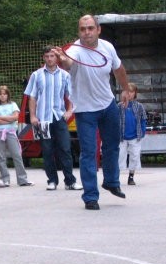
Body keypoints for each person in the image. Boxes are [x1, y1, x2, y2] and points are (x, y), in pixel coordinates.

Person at [54, 14, 130, 210]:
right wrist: (63, 60)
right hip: (85, 110)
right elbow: (69, 64)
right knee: (89, 152)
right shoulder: (74, 50)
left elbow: (119, 69)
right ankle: (90, 196)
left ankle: (111, 182)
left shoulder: (108, 47)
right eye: (82, 29)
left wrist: (126, 89)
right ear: (79, 32)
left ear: (98, 29)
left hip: (107, 104)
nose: (86, 32)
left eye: (90, 28)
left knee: (112, 146)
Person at [25, 45, 82, 191]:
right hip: (43, 119)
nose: (50, 59)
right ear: (43, 58)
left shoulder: (65, 75)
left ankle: (70, 181)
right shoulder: (36, 75)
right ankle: (52, 180)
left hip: (59, 117)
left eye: (52, 56)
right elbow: (32, 97)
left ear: (56, 58)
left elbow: (72, 95)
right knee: (47, 150)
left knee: (65, 149)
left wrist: (70, 111)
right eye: (47, 56)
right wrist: (32, 116)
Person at [0, 85, 33, 187]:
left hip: (11, 132)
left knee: (17, 155)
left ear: (8, 95)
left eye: (4, 94)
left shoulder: (13, 105)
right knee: (1, 156)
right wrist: (9, 118)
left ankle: (22, 179)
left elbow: (15, 117)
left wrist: (2, 117)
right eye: (0, 94)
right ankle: (5, 179)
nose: (2, 96)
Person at [118, 82, 147, 185]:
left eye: (132, 92)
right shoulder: (120, 106)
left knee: (134, 155)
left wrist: (143, 131)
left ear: (135, 93)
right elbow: (115, 120)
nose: (129, 94)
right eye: (127, 92)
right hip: (122, 136)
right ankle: (116, 176)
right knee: (120, 155)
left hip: (135, 136)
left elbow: (143, 119)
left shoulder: (139, 106)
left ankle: (131, 176)